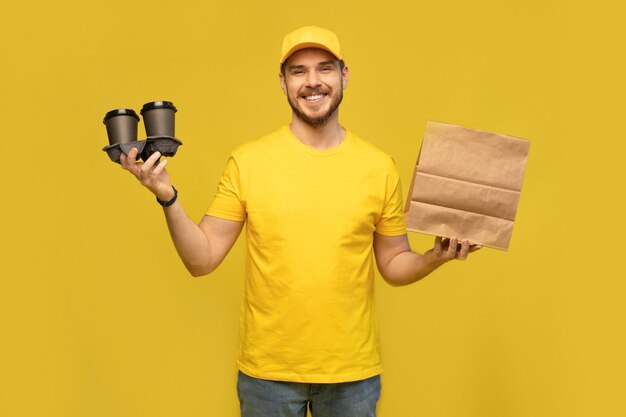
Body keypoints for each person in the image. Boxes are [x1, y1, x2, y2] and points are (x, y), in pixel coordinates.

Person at [120, 25, 480, 417]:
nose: (313, 82)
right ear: (283, 82)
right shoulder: (249, 162)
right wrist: (167, 197)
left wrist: (434, 257)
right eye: (298, 71)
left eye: (325, 69)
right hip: (267, 376)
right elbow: (201, 259)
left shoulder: (379, 167)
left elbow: (393, 264)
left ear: (344, 76)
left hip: (352, 375)